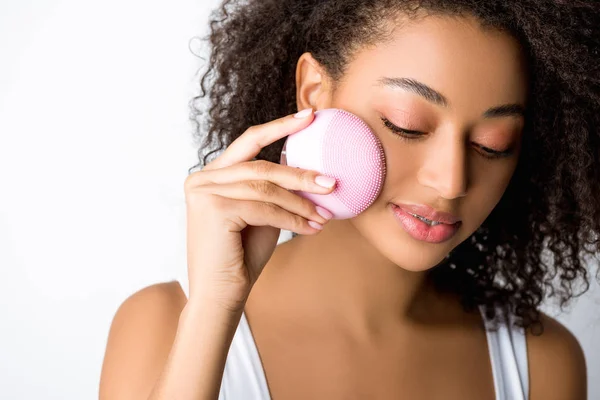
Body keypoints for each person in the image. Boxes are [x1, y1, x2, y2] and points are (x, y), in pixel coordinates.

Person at [99, 1, 600, 399]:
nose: (451, 182)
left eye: (493, 144)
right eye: (406, 125)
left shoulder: (541, 365)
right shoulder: (164, 325)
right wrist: (215, 306)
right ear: (314, 93)